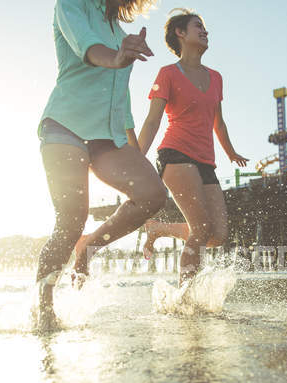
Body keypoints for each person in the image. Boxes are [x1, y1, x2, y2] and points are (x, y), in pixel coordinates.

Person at [36, 0, 165, 328]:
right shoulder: (71, 6)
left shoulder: (120, 31)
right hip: (65, 126)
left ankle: (89, 247)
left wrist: (136, 153)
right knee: (71, 220)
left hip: (107, 138)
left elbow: (121, 102)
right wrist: (118, 57)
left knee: (153, 194)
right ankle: (44, 310)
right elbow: (89, 48)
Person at [138, 9, 248, 287]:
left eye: (205, 27)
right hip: (175, 153)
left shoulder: (216, 78)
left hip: (205, 161)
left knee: (217, 234)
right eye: (197, 26)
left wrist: (231, 152)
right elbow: (152, 121)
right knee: (200, 228)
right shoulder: (168, 74)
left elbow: (218, 123)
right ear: (180, 33)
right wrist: (136, 157)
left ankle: (160, 229)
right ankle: (184, 298)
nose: (204, 31)